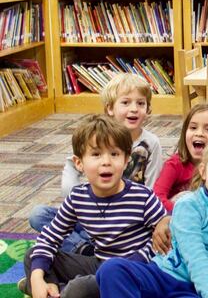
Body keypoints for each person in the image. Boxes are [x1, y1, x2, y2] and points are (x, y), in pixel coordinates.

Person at [21, 115, 167, 298]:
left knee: (79, 288)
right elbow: (50, 237)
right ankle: (49, 288)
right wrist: (36, 277)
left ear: (126, 159)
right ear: (79, 163)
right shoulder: (78, 197)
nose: (106, 161)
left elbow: (164, 240)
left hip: (134, 271)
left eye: (114, 154)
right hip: (99, 263)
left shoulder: (143, 196)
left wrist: (129, 264)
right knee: (33, 256)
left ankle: (59, 290)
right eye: (96, 154)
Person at [96, 138, 208, 298]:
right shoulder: (189, 205)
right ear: (203, 171)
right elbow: (196, 259)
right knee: (112, 269)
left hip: (190, 291)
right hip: (163, 275)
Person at [29, 73, 164, 255]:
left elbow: (153, 187)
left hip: (129, 221)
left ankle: (86, 251)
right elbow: (71, 186)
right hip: (94, 214)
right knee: (39, 215)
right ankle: (85, 250)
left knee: (154, 234)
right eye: (126, 103)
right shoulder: (95, 135)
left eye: (140, 103)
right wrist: (83, 205)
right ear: (109, 108)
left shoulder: (151, 143)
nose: (134, 109)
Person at [153, 103, 208, 212]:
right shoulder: (174, 164)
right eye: (193, 127)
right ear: (184, 132)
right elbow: (156, 197)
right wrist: (184, 213)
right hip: (177, 217)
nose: (199, 133)